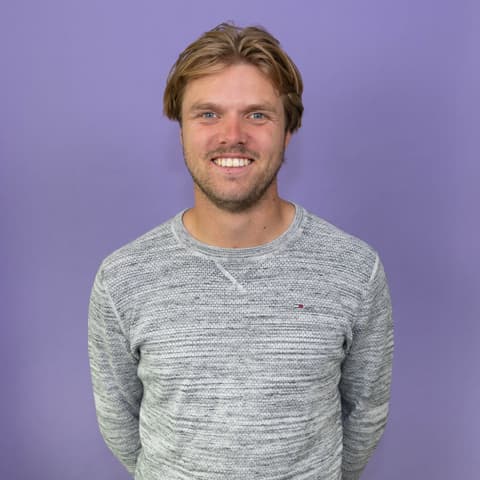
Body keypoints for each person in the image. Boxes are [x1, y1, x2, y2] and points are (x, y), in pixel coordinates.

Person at [88, 22, 393, 480]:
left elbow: (365, 412)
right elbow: (119, 420)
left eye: (257, 115)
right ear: (181, 130)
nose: (232, 135)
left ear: (288, 131)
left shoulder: (355, 270)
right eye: (208, 114)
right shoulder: (122, 279)